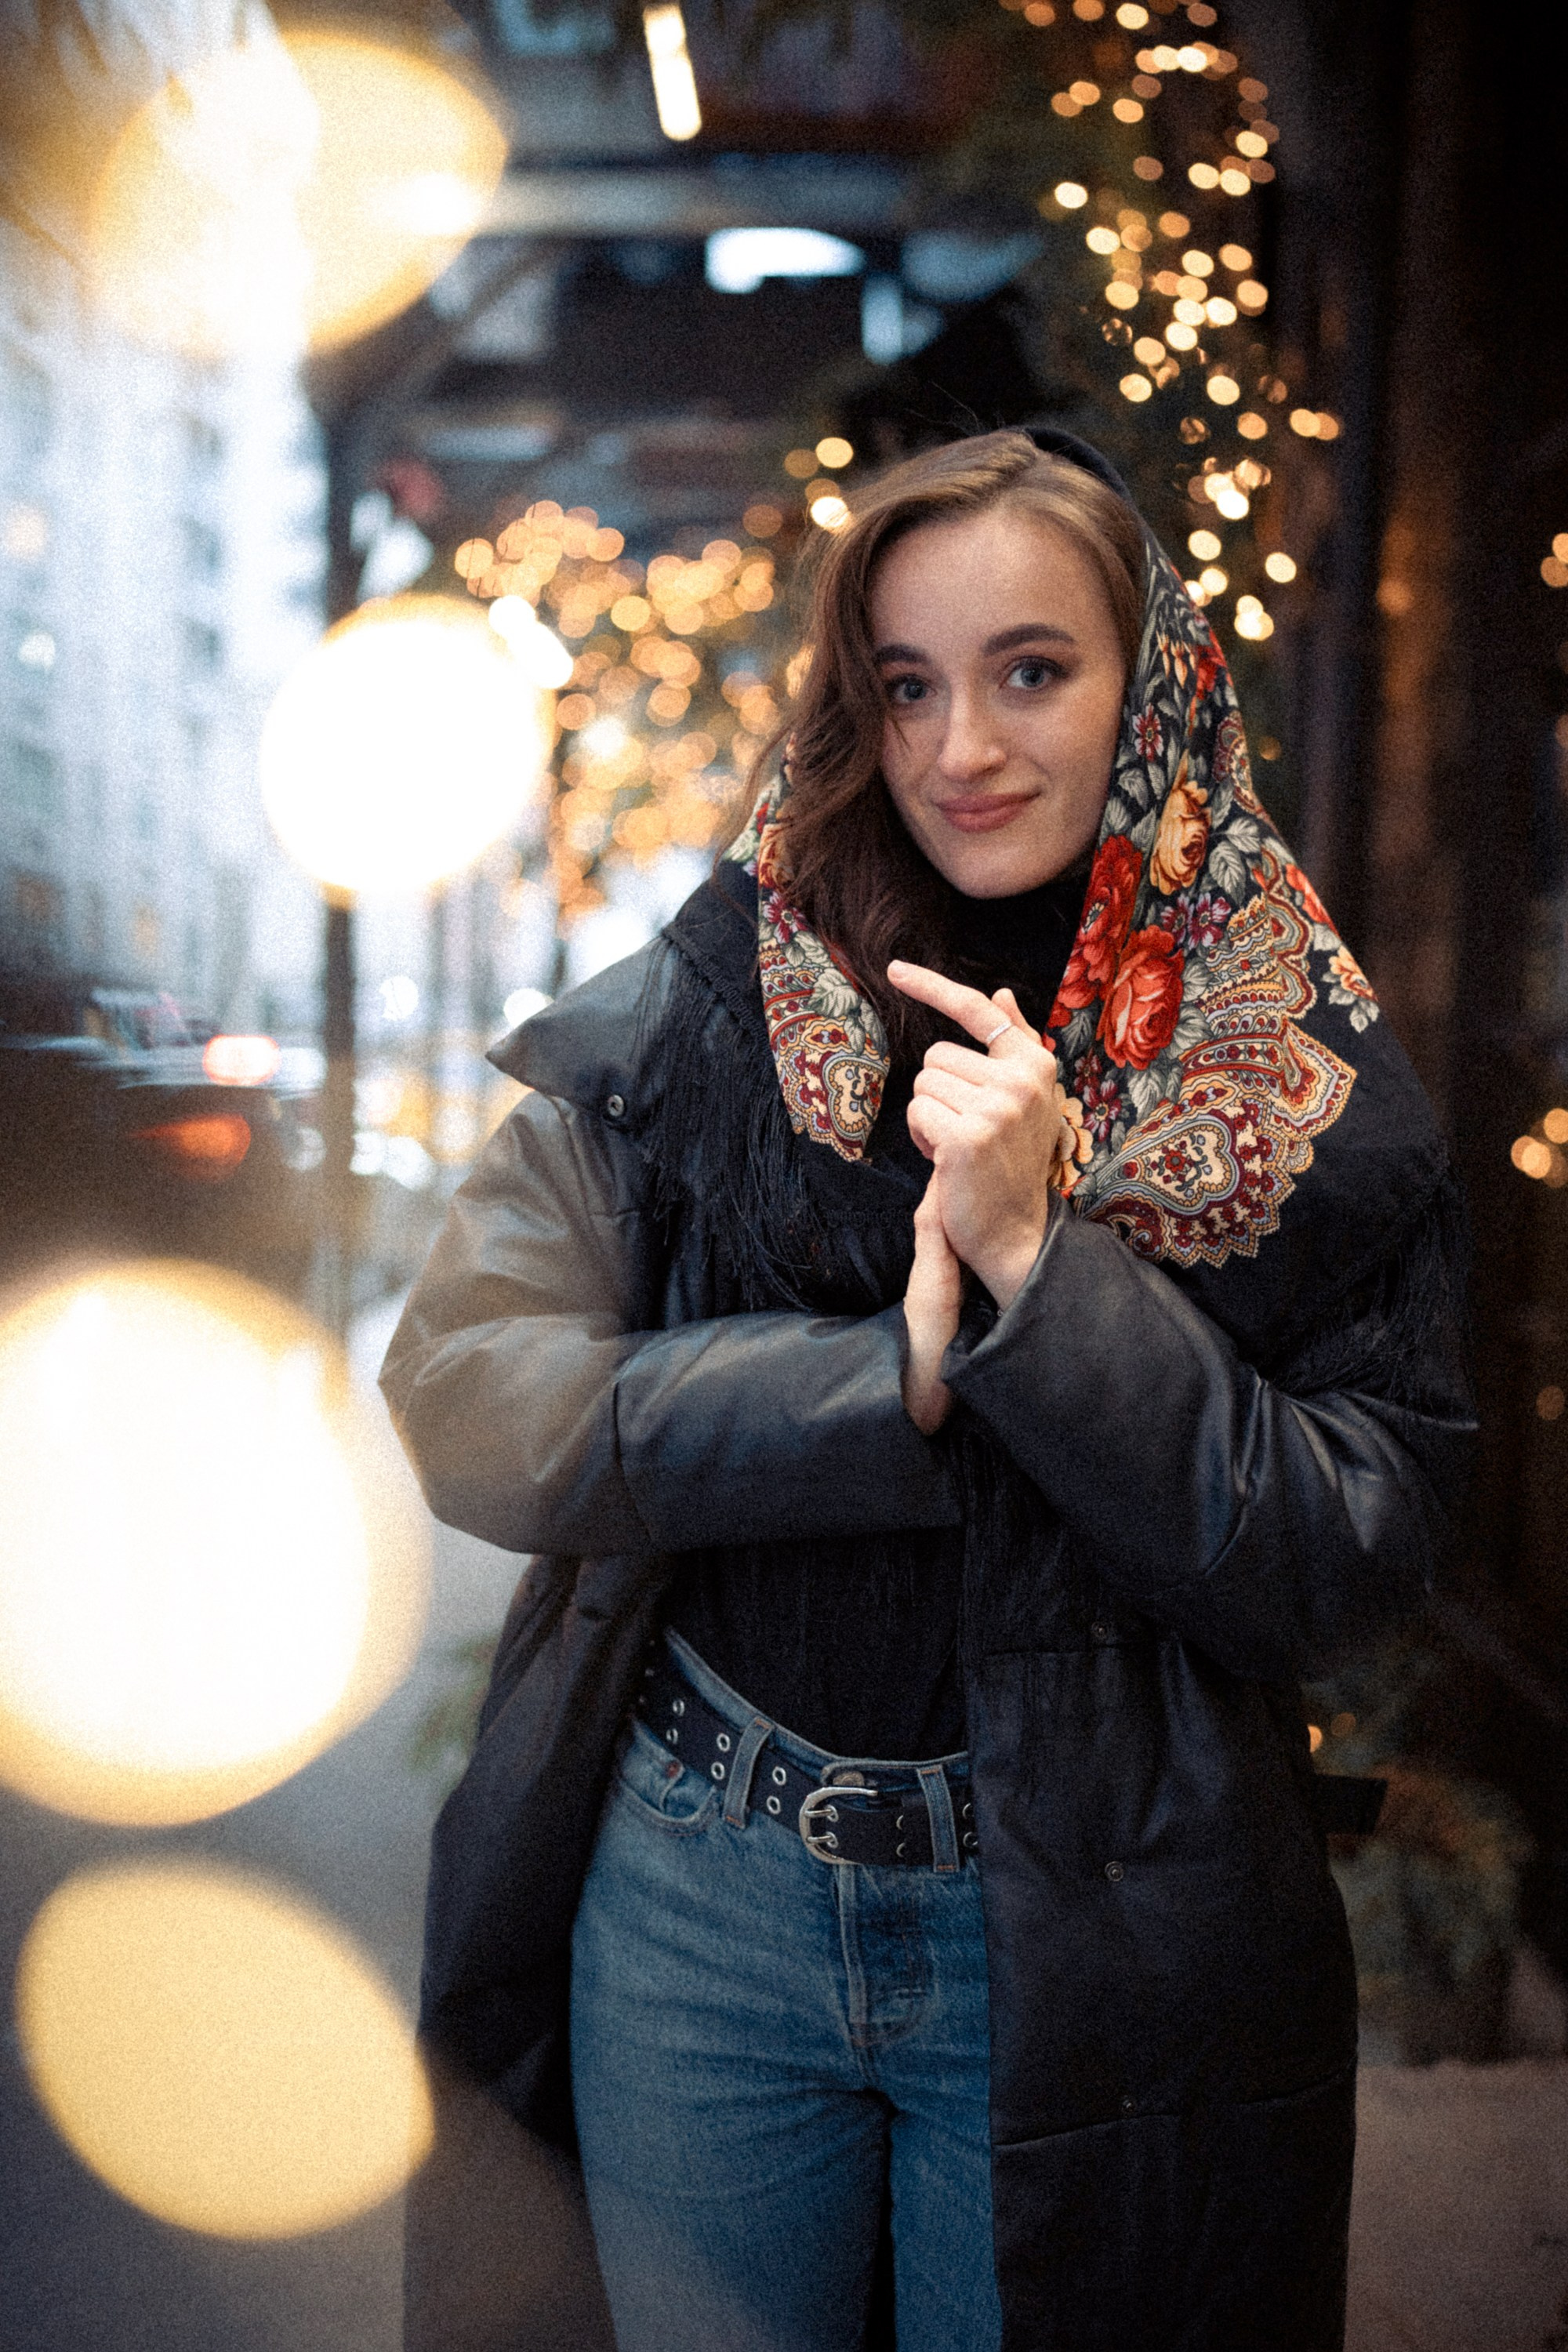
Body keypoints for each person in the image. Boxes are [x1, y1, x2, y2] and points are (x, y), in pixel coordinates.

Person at [382, 427, 1475, 2352]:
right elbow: (466, 1383)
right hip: (696, 1898)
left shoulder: (1285, 1062)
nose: (958, 744)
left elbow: (1353, 1558)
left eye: (1030, 670)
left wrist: (1043, 1275)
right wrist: (875, 1380)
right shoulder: (719, 995)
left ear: (1154, 688)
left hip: (1071, 1932)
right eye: (904, 683)